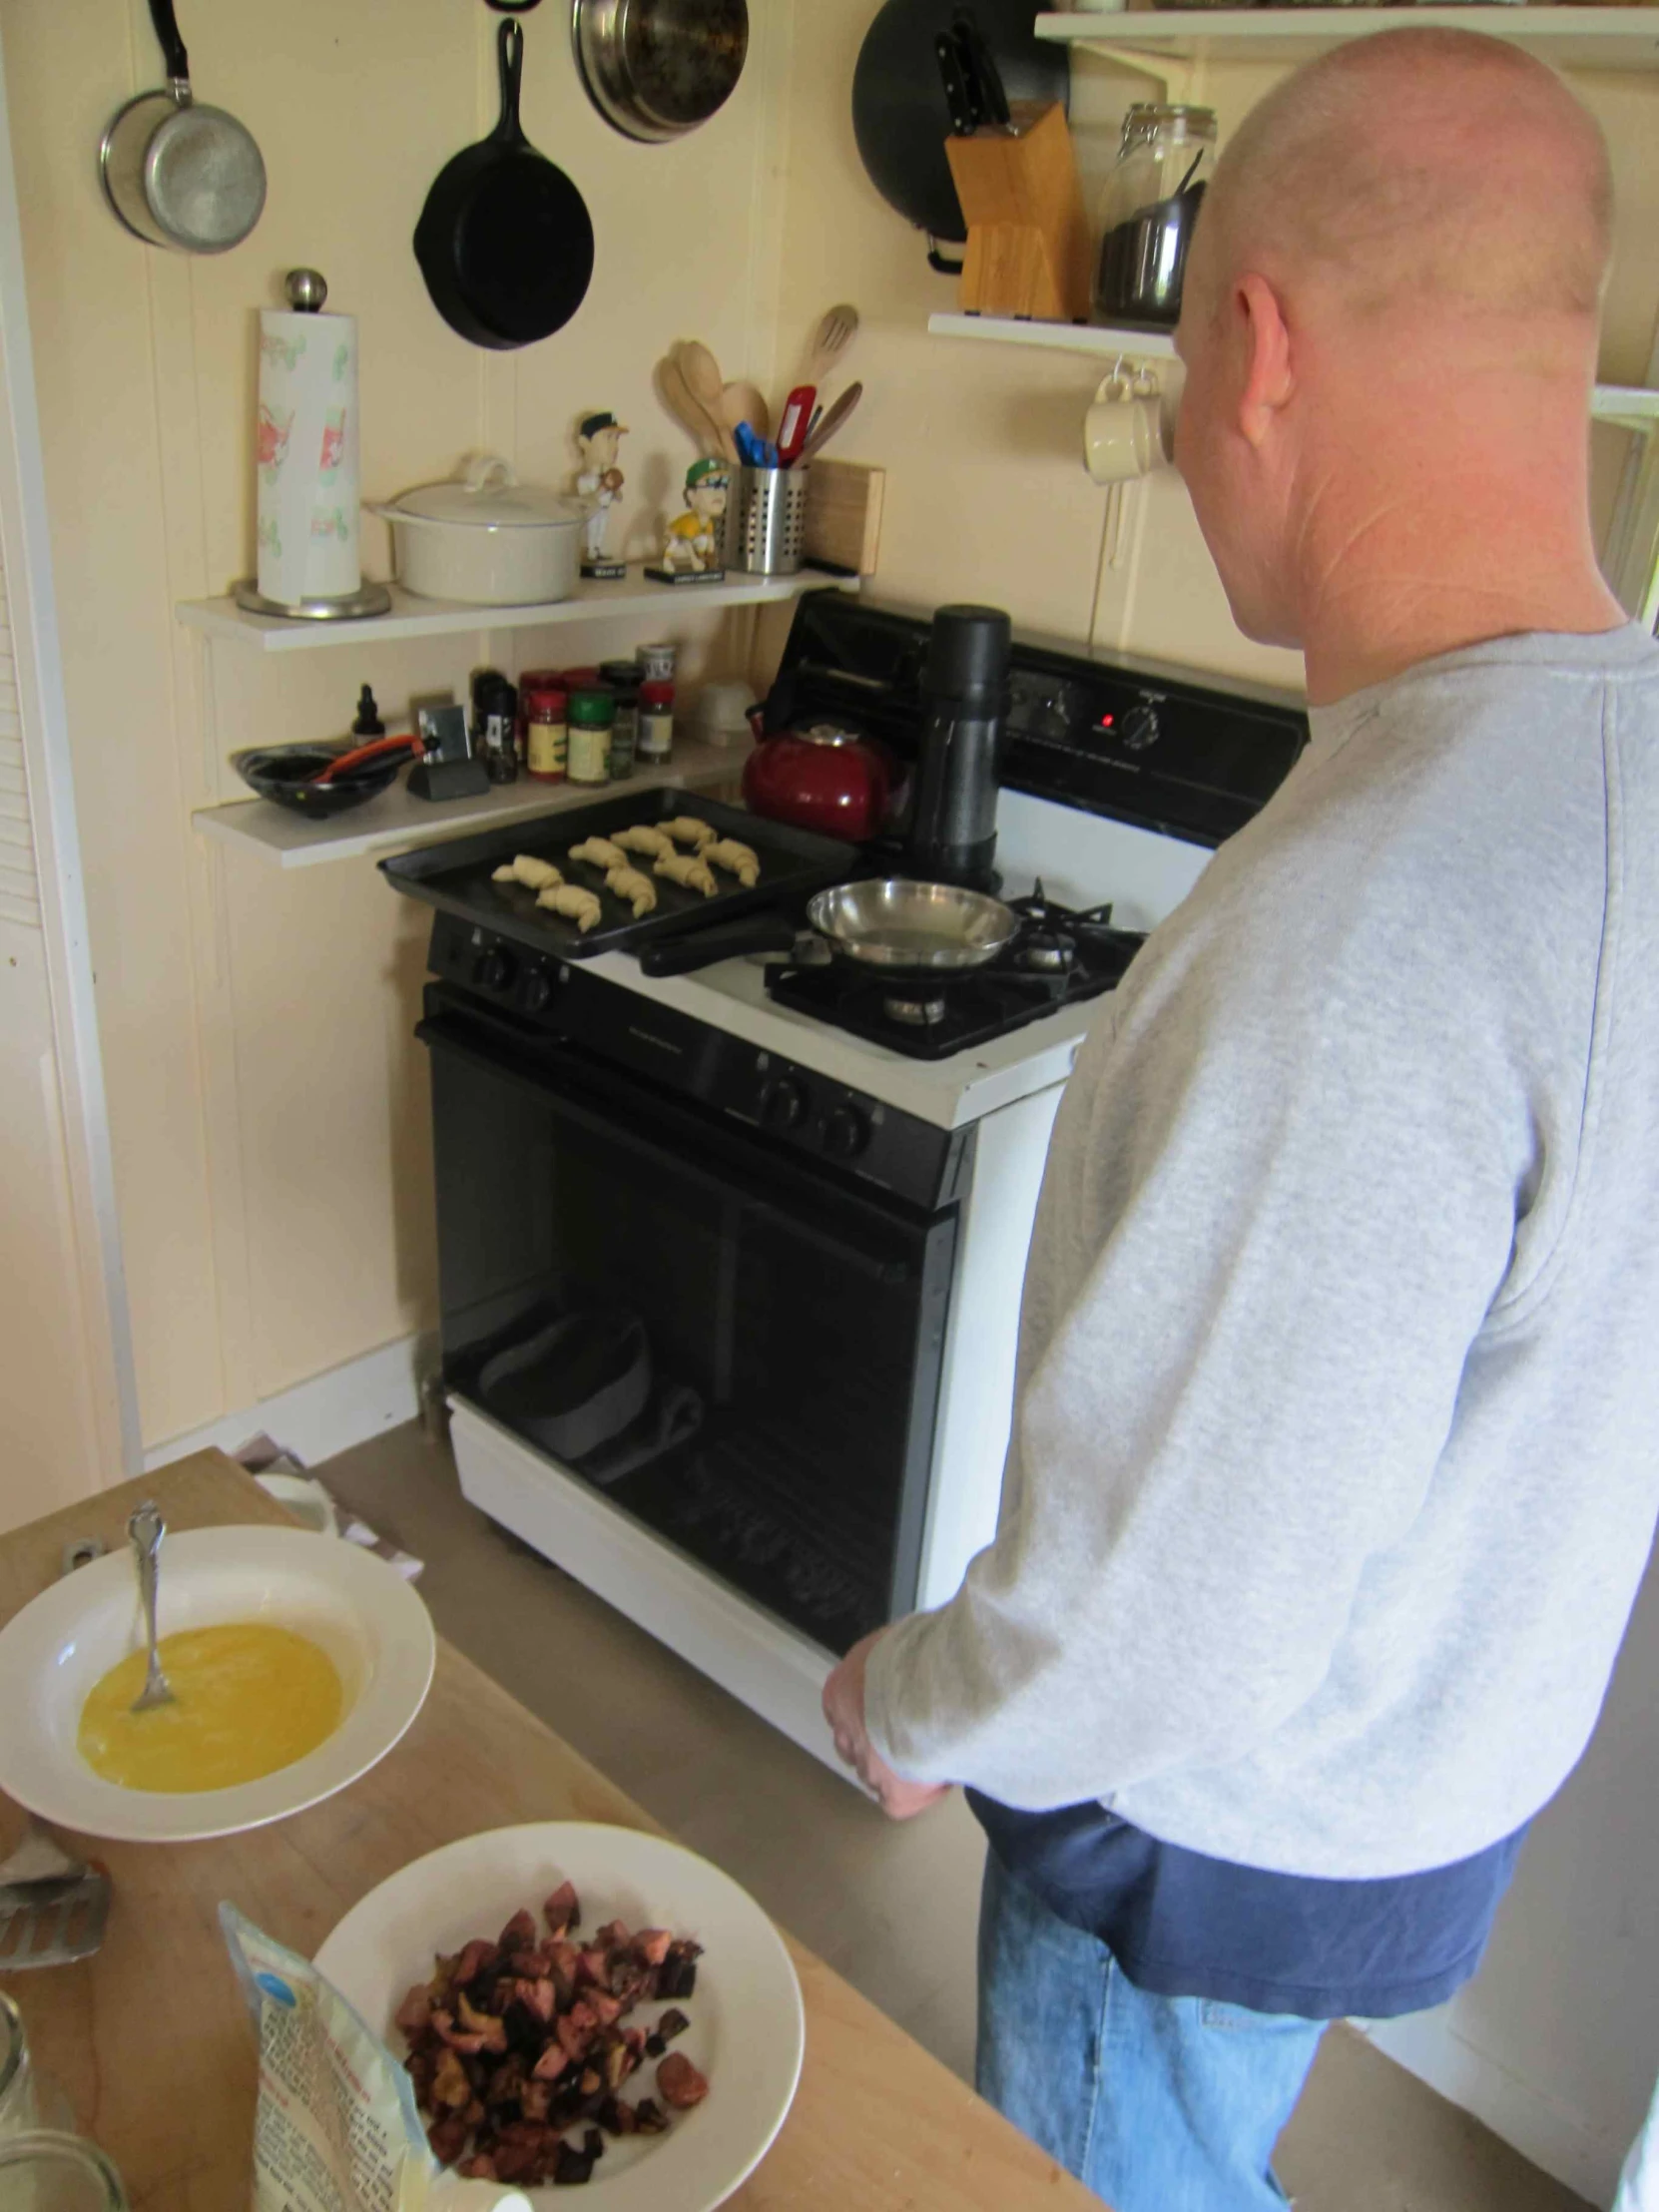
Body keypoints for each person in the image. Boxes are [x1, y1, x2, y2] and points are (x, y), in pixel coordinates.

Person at [823, 27, 1659, 2211]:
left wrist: (915, 1704)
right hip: (1437, 1768)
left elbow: (1160, 1621)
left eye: (1183, 364)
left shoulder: (1374, 924)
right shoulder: (1627, 767)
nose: (1187, 440)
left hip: (1213, 1836)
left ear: (1260, 352)